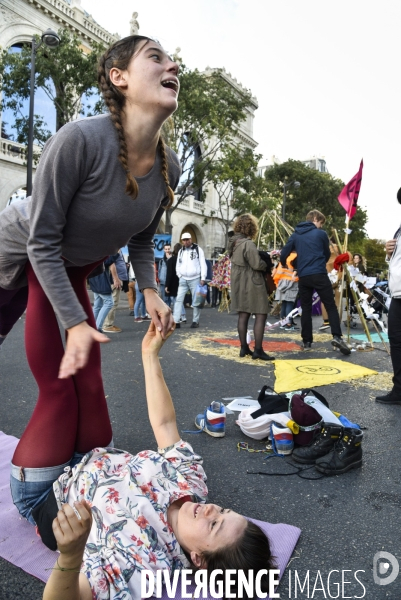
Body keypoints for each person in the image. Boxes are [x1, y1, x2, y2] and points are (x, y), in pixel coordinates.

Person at [12, 324, 274, 600]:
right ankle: (68, 284)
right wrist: (150, 354)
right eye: (223, 511)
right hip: (93, 453)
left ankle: (35, 281)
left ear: (199, 559)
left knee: (60, 391)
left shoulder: (144, 565)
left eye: (214, 525)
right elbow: (165, 424)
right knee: (88, 377)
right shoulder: (192, 484)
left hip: (47, 493)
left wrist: (70, 555)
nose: (211, 510)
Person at [0, 35, 180, 402]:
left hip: (59, 264)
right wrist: (74, 321)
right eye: (156, 58)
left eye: (173, 60)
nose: (173, 66)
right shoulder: (79, 139)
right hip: (14, 250)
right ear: (119, 77)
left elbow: (142, 239)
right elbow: (42, 240)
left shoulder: (170, 166)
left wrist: (150, 291)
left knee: (82, 383)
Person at [280, 210, 351, 355]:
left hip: (304, 275)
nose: (320, 226)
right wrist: (319, 262)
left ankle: (307, 341)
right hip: (318, 273)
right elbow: (325, 253)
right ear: (315, 218)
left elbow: (284, 252)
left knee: (305, 308)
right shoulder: (321, 234)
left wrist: (286, 265)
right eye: (320, 222)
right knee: (330, 305)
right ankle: (337, 336)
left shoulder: (296, 235)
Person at [228, 214, 274, 361]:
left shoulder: (233, 243)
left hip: (238, 282)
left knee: (243, 315)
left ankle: (243, 348)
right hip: (252, 281)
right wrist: (267, 263)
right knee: (261, 313)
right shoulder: (248, 244)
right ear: (251, 227)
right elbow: (256, 264)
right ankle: (258, 350)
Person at [376, 188, 401, 406]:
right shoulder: (399, 229)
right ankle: (399, 389)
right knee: (397, 340)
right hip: (398, 294)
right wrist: (388, 253)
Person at [173, 233, 207, 329]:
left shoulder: (198, 250)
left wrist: (203, 277)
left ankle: (195, 321)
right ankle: (176, 320)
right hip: (183, 278)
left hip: (195, 278)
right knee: (179, 300)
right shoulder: (181, 251)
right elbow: (178, 264)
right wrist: (179, 275)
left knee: (196, 301)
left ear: (191, 239)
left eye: (187, 239)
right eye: (184, 240)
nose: (186, 241)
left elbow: (202, 263)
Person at [88, 255, 119, 333]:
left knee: (97, 305)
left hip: (93, 279)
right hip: (100, 279)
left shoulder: (93, 250)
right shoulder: (101, 251)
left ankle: (92, 327)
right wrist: (117, 251)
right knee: (109, 302)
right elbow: (108, 261)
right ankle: (97, 328)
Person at [102, 250, 128, 333]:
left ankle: (106, 324)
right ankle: (107, 325)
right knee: (113, 302)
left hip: (117, 279)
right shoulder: (115, 249)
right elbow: (111, 263)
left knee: (109, 302)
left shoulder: (117, 249)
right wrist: (116, 279)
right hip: (115, 280)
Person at [272, 251, 299, 331]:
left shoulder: (285, 255)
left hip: (281, 281)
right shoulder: (296, 256)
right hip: (291, 282)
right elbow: (296, 269)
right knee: (290, 303)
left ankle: (283, 322)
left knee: (284, 302)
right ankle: (288, 323)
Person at [319, 237, 340, 331]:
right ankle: (336, 319)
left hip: (325, 274)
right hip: (338, 274)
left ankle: (326, 320)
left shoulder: (324, 249)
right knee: (337, 298)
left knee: (324, 298)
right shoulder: (342, 250)